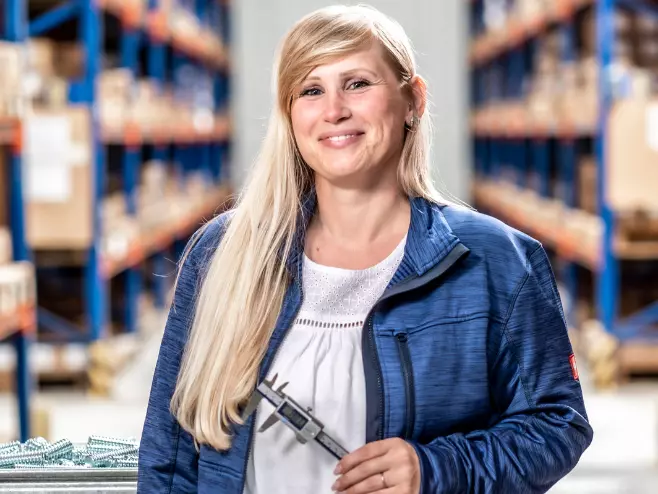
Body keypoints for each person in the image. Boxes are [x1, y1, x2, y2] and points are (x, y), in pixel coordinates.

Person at [137, 4, 593, 493]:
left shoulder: (495, 260)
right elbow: (170, 452)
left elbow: (558, 424)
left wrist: (435, 469)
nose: (334, 110)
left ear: (413, 100)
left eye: (357, 83)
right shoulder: (225, 252)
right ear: (289, 116)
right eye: (311, 91)